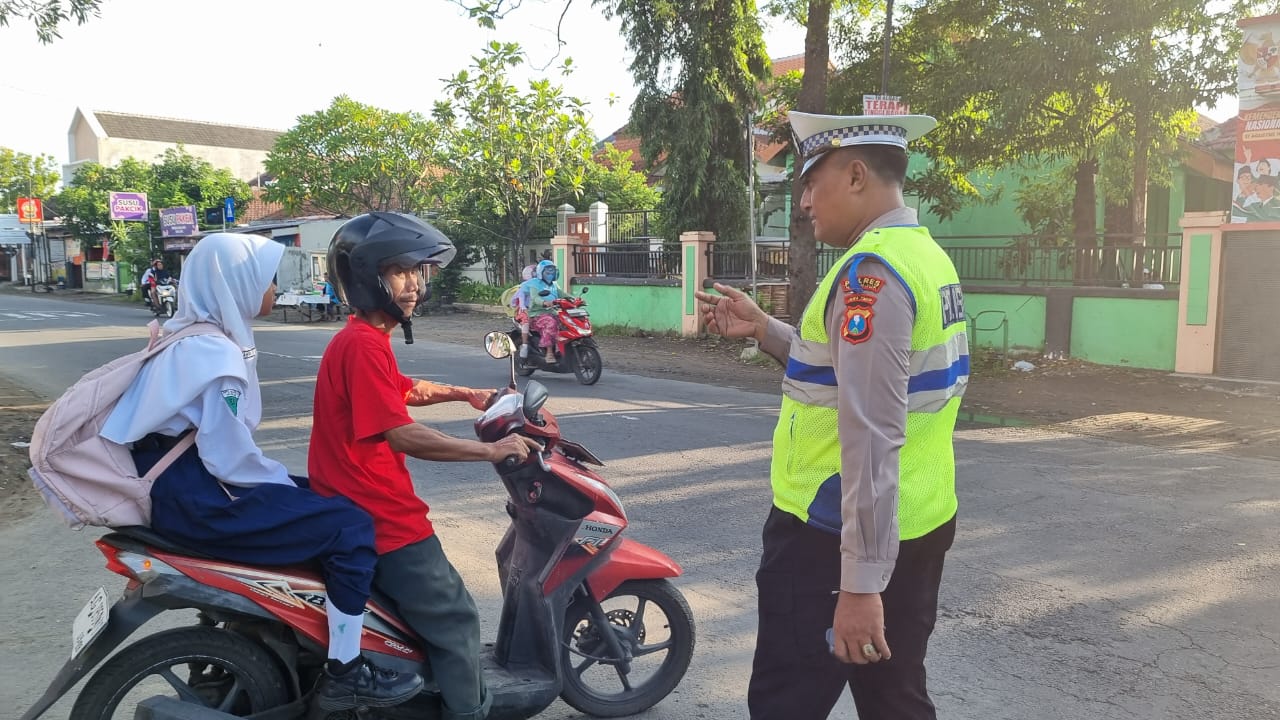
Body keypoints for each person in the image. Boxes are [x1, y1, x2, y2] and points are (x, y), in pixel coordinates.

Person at [695, 111, 968, 720]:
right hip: (917, 517)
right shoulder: (925, 258)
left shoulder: (873, 274)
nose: (803, 202)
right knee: (895, 698)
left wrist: (861, 585)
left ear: (854, 175)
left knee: (786, 702)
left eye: (810, 181)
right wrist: (767, 331)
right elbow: (862, 376)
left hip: (832, 535)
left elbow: (871, 433)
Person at [99, 233, 425, 713]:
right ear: (236, 284)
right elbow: (230, 459)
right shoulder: (216, 357)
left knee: (319, 498)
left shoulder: (190, 338)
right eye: (266, 280)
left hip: (177, 485)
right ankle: (345, 671)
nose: (273, 289)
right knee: (351, 523)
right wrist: (290, 486)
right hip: (199, 496)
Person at [307, 212, 541, 720]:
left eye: (417, 272)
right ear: (370, 276)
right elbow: (402, 433)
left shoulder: (363, 338)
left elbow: (403, 389)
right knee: (457, 617)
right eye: (398, 271)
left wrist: (468, 394)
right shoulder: (363, 344)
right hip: (381, 516)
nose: (413, 284)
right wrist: (492, 451)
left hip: (353, 502)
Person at [517, 259, 562, 364]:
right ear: (541, 272)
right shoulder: (535, 284)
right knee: (550, 323)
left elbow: (562, 294)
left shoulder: (554, 285)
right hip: (536, 314)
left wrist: (575, 299)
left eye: (552, 271)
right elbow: (535, 297)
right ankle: (549, 352)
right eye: (548, 272)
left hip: (552, 312)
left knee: (566, 322)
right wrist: (544, 302)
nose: (551, 274)